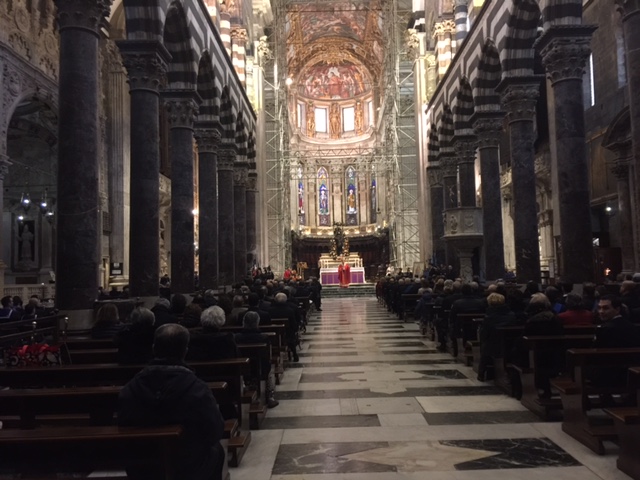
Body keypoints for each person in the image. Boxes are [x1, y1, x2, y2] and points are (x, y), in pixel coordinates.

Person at [118, 324, 225, 480]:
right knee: (217, 451)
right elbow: (215, 430)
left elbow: (123, 425)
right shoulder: (197, 389)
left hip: (142, 467)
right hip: (186, 466)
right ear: (185, 352)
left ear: (154, 349)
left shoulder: (130, 388)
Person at [234, 311, 279, 408]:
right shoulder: (263, 337)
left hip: (242, 369)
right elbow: (267, 356)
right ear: (257, 323)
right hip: (260, 368)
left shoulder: (236, 338)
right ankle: (270, 395)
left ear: (243, 322)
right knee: (268, 368)